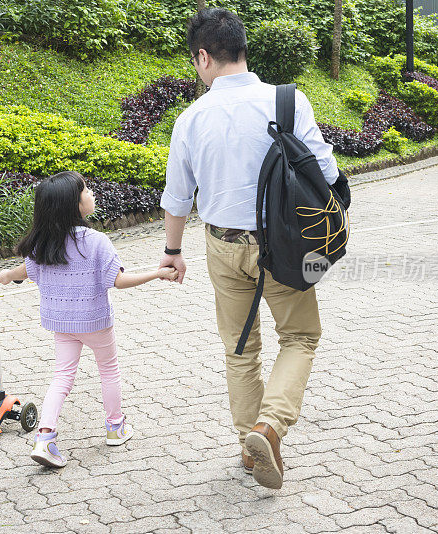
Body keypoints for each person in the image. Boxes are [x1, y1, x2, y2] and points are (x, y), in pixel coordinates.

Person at [159, 8, 340, 489]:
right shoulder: (287, 101)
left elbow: (177, 197)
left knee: (240, 350)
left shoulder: (191, 118)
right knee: (300, 337)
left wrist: (172, 252)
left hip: (222, 244)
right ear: (243, 49)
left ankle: (249, 448)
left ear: (203, 57)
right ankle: (270, 428)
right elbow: (325, 170)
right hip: (283, 245)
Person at [0, 171, 178, 468]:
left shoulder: (43, 241)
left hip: (60, 323)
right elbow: (118, 281)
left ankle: (45, 437)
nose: (91, 193)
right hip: (95, 322)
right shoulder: (96, 241)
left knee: (62, 376)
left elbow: (25, 270)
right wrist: (157, 273)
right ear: (74, 205)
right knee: (108, 370)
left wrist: (4, 275)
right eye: (86, 191)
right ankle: (116, 428)